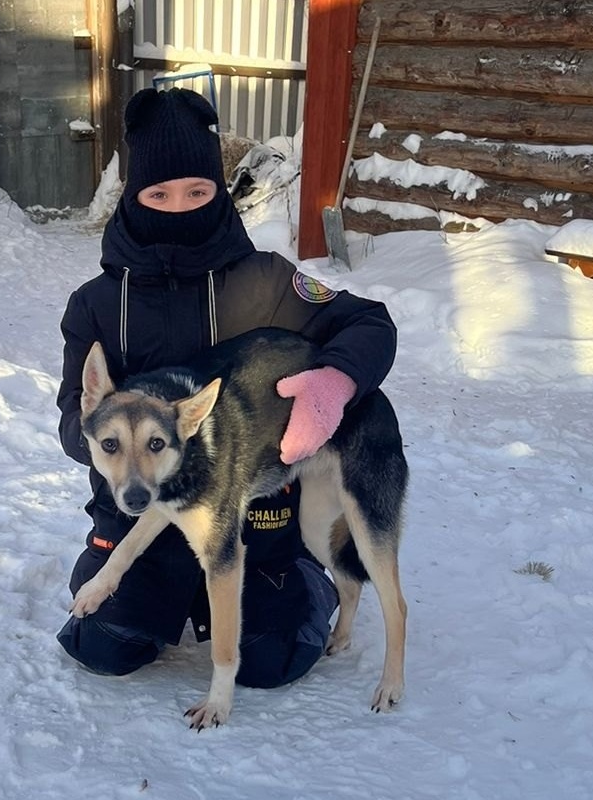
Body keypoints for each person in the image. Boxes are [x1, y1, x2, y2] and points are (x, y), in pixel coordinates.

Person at [55, 87, 396, 689]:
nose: (178, 207)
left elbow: (368, 321)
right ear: (133, 196)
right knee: (103, 645)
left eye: (197, 191)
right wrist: (115, 442)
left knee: (273, 660)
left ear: (219, 192)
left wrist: (335, 380)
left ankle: (307, 576)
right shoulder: (97, 305)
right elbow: (70, 418)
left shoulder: (265, 280)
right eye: (159, 193)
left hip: (254, 516)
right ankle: (159, 589)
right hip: (146, 513)